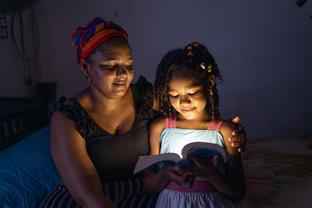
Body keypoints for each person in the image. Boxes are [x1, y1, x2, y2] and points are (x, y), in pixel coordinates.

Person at [41, 17, 246, 208]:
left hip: (140, 193)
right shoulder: (68, 117)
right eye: (110, 66)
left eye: (128, 65)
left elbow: (190, 109)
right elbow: (86, 196)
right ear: (86, 68)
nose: (123, 74)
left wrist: (232, 134)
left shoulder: (147, 98)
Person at [144, 42, 246, 208]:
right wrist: (165, 174)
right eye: (174, 95)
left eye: (191, 92)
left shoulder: (226, 131)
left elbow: (238, 191)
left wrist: (211, 175)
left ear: (210, 83)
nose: (183, 101)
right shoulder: (160, 128)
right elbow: (149, 186)